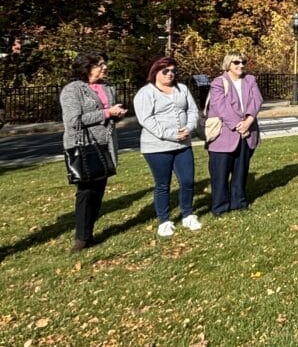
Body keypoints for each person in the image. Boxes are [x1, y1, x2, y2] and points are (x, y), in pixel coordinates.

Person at [60, 51, 126, 253]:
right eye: (100, 64)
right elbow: (73, 121)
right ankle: (82, 238)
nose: (105, 67)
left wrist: (117, 115)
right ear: (86, 67)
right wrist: (107, 113)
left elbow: (109, 116)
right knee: (86, 191)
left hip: (105, 144)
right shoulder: (72, 90)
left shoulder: (107, 87)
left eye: (105, 63)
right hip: (84, 146)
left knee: (99, 190)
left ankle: (88, 232)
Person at [134, 56, 202, 236]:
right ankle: (164, 220)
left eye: (173, 71)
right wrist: (171, 134)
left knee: (187, 181)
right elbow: (146, 119)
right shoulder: (146, 93)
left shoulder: (182, 89)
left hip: (183, 145)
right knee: (163, 184)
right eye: (166, 71)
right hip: (157, 146)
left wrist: (189, 127)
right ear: (156, 71)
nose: (170, 74)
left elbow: (192, 110)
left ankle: (188, 214)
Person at [205, 53, 263, 216]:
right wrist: (238, 125)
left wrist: (248, 122)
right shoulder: (218, 82)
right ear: (228, 64)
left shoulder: (250, 80)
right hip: (223, 136)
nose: (241, 65)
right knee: (220, 174)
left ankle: (239, 202)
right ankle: (220, 207)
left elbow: (257, 101)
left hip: (246, 133)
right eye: (236, 62)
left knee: (241, 172)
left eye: (243, 62)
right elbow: (220, 107)